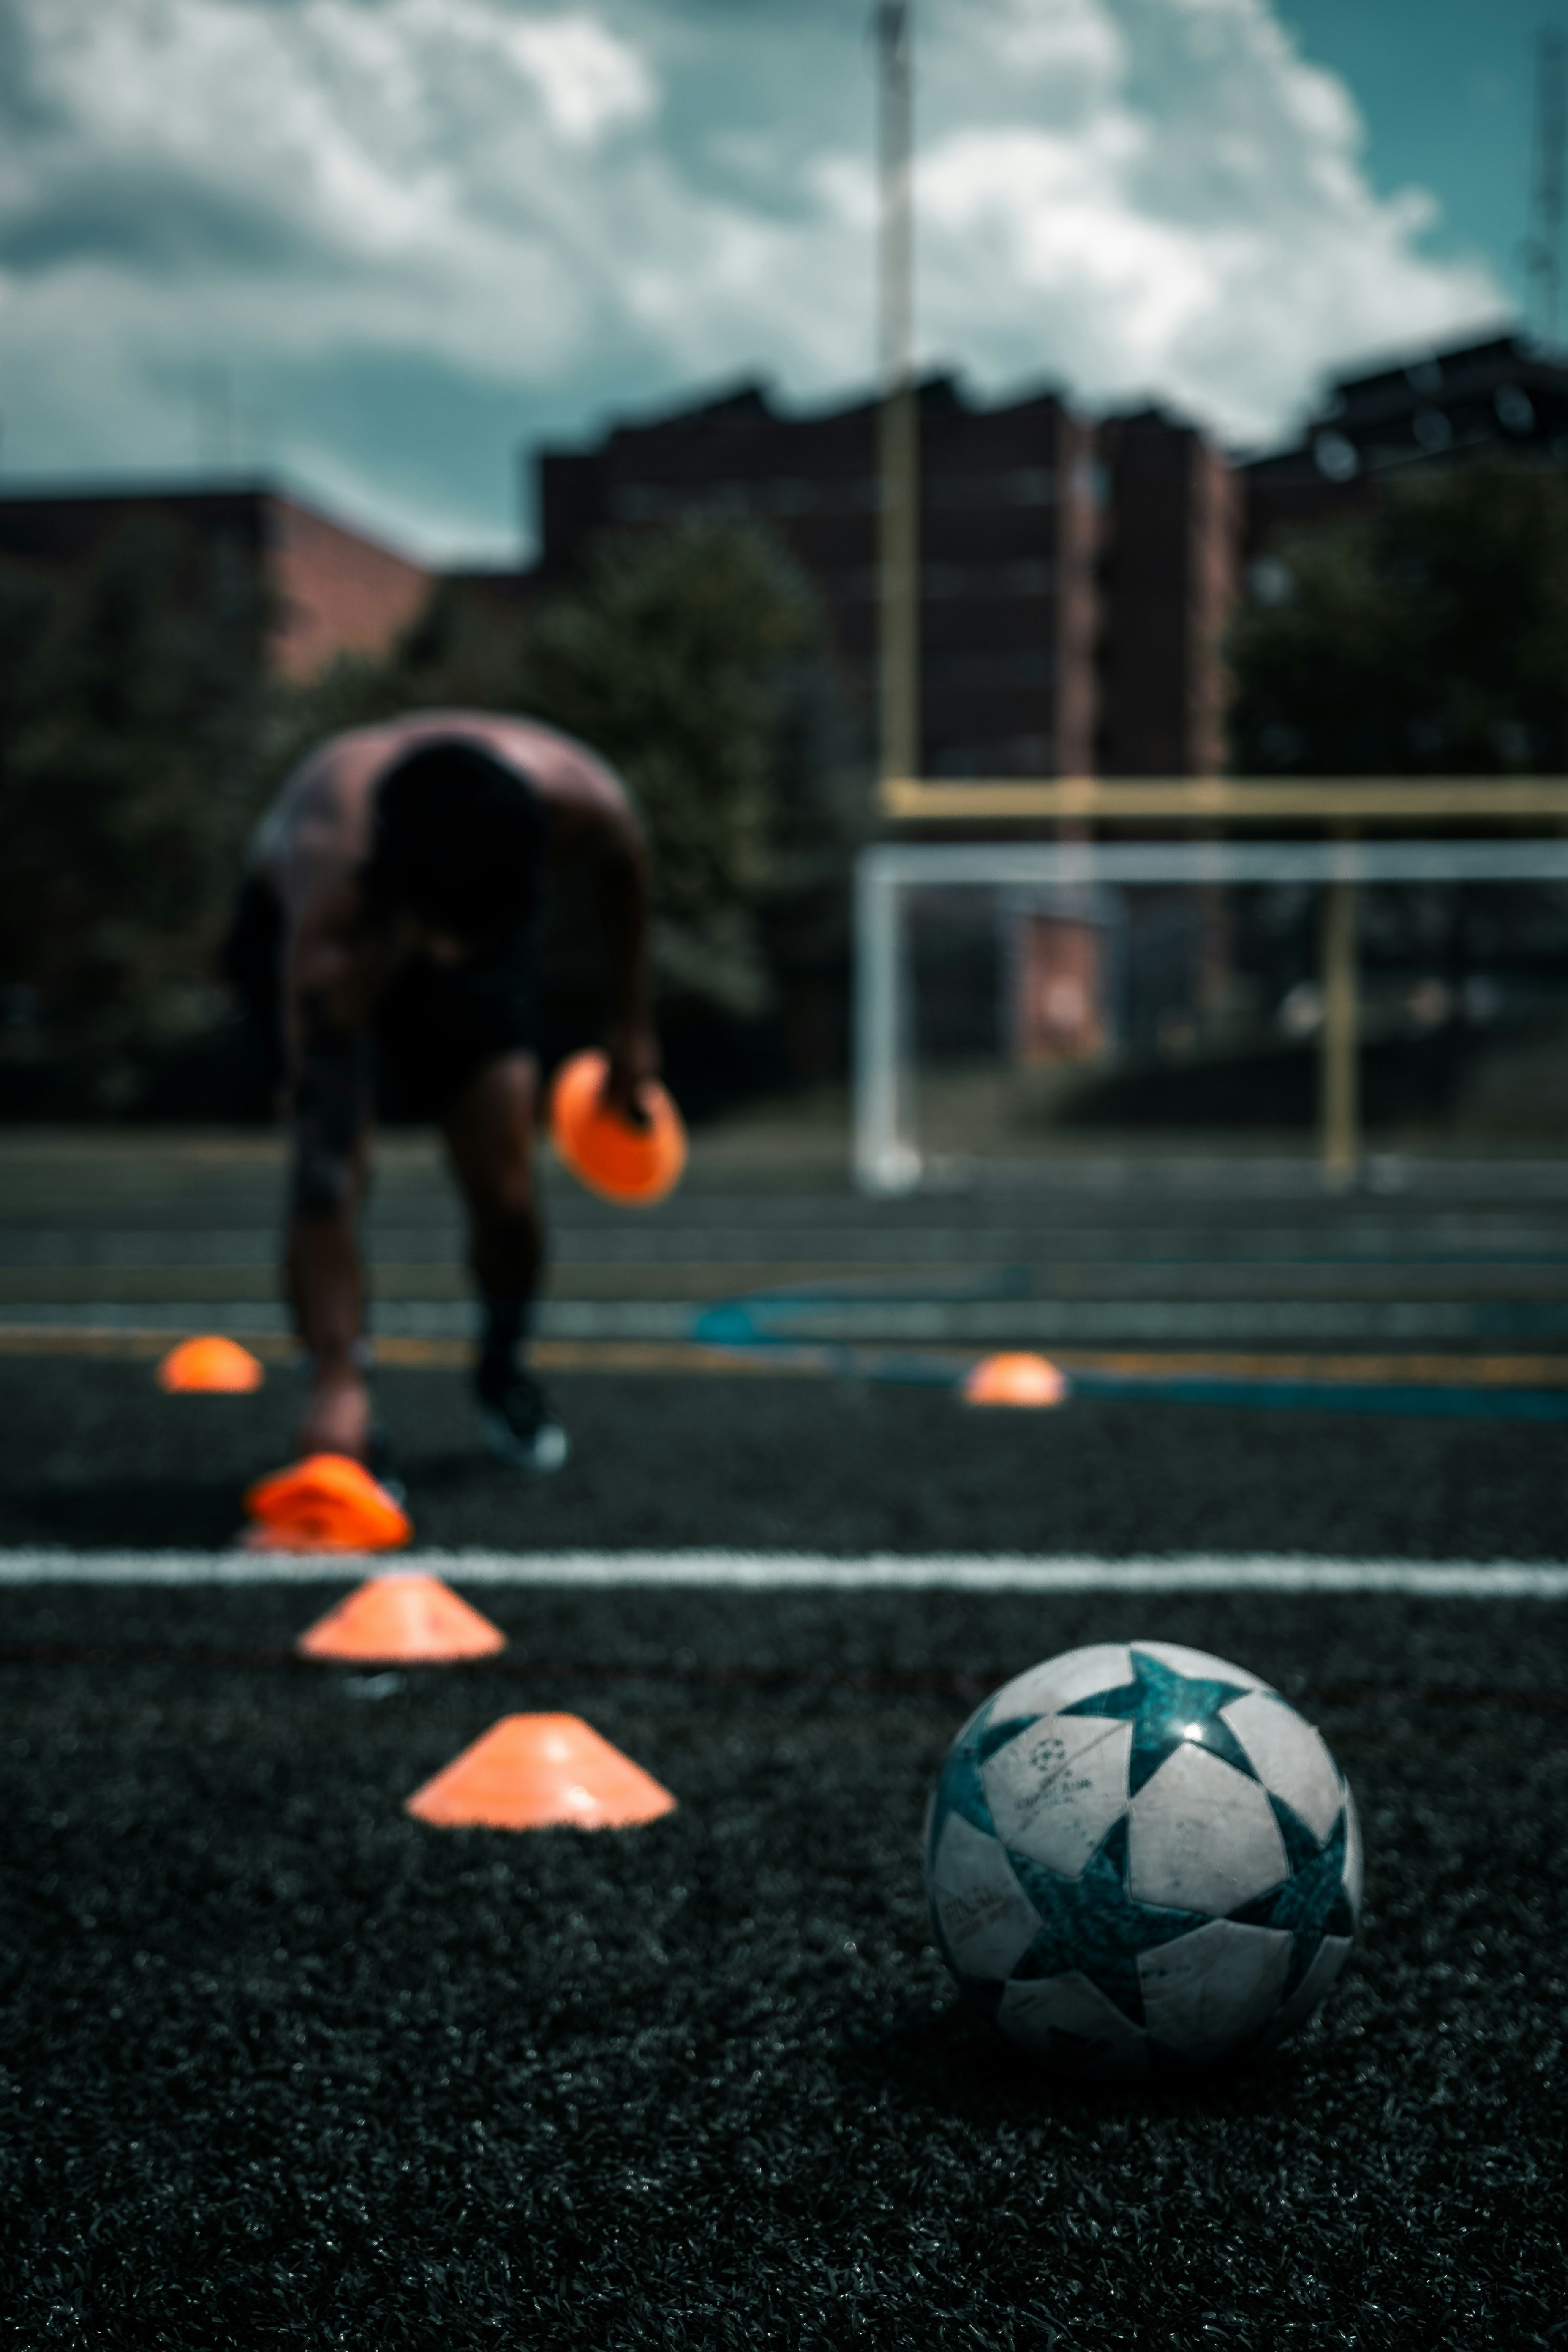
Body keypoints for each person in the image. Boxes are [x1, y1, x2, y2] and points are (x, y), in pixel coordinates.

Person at [229, 711, 657, 1476]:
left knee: (507, 1190)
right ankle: (336, 1377)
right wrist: (335, 1381)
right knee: (336, 1161)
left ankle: (502, 1362)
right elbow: (323, 1169)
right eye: (445, 941)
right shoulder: (331, 892)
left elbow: (626, 865)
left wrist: (631, 1023)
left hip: (454, 889)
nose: (449, 958)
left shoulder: (577, 800)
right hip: (326, 919)